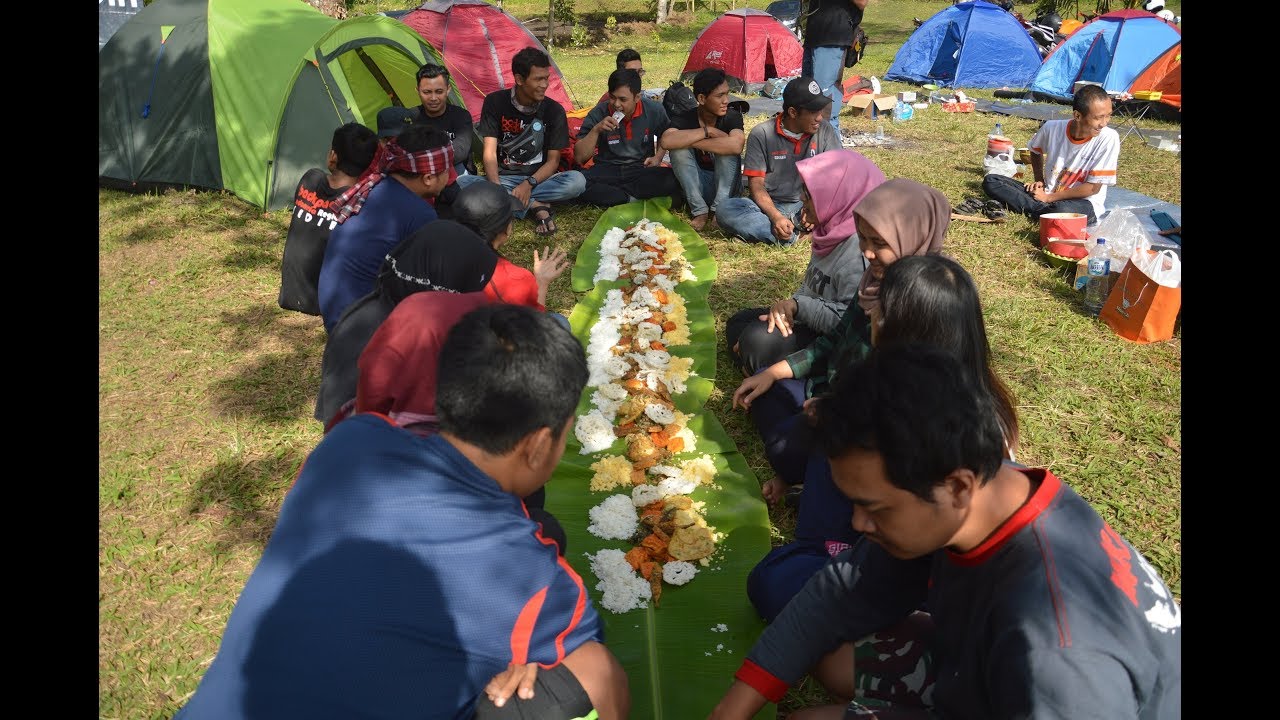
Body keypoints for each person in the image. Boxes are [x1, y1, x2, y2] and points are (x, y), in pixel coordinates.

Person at [174, 304, 631, 720]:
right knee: (596, 668)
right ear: (536, 445)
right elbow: (588, 664)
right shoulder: (532, 582)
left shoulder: (350, 441)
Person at [709, 343, 1180, 720]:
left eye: (872, 508)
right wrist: (731, 710)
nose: (856, 524)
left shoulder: (1057, 657)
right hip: (980, 673)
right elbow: (838, 592)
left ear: (958, 486)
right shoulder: (984, 491)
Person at [745, 255, 1022, 624]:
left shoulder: (963, 427)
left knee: (776, 582)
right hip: (878, 526)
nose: (869, 321)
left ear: (906, 332)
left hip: (912, 560)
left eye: (877, 315)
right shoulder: (897, 380)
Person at [730, 178, 945, 506]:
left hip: (868, 428)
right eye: (863, 239)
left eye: (880, 243)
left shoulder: (927, 305)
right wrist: (775, 373)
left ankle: (817, 479)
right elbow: (832, 342)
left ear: (913, 236)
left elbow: (902, 406)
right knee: (763, 388)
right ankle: (813, 471)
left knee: (783, 447)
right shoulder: (873, 282)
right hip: (831, 394)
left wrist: (838, 408)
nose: (867, 252)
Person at [313, 219, 497, 430]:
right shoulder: (384, 334)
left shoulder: (382, 310)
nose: (475, 292)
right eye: (473, 282)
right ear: (445, 283)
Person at [726, 149, 884, 378]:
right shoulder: (829, 230)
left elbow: (846, 324)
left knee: (755, 339)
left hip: (831, 340)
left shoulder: (859, 249)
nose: (802, 199)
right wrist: (790, 310)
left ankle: (765, 369)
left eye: (810, 195)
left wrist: (798, 307)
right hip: (808, 321)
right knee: (739, 322)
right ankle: (759, 364)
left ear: (837, 196)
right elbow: (810, 286)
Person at [318, 124, 456, 333]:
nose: (450, 176)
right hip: (363, 329)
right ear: (428, 178)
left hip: (335, 311)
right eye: (447, 170)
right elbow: (427, 281)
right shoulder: (420, 214)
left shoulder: (375, 187)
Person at [456, 46, 586, 238]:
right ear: (519, 79)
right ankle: (536, 206)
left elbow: (553, 162)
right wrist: (498, 188)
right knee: (461, 183)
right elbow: (489, 154)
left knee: (577, 182)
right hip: (503, 179)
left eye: (546, 78)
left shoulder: (554, 110)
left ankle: (512, 203)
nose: (545, 85)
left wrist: (528, 184)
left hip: (539, 179)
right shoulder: (494, 102)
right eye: (538, 79)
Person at [716, 76, 844, 246]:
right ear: (792, 112)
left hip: (811, 202)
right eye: (813, 112)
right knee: (726, 210)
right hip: (772, 205)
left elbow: (837, 178)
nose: (819, 118)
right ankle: (793, 236)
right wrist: (776, 217)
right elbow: (756, 186)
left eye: (820, 111)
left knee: (851, 204)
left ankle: (773, 234)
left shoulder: (825, 130)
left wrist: (815, 208)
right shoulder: (761, 134)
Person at [981, 83, 1119, 225]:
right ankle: (1045, 212)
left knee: (1063, 208)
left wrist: (1049, 198)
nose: (1104, 123)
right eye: (1098, 118)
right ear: (1077, 115)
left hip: (1082, 203)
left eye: (1108, 116)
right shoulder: (1051, 128)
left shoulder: (1109, 138)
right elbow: (1035, 151)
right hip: (1047, 194)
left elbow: (1093, 188)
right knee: (992, 181)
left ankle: (1040, 210)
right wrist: (1039, 181)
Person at [278, 122, 378, 316]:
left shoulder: (310, 178)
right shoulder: (362, 202)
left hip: (290, 294)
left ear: (333, 157)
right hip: (325, 302)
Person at [451, 181, 570, 314]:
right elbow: (532, 327)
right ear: (506, 230)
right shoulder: (515, 279)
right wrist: (542, 283)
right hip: (486, 331)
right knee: (559, 321)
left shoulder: (434, 245)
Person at [574, 68, 681, 209]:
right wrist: (596, 130)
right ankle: (631, 198)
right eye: (612, 97)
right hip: (607, 169)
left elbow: (667, 135)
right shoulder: (599, 112)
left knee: (673, 179)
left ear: (637, 97)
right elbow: (579, 157)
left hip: (639, 169)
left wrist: (657, 158)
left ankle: (618, 197)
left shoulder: (654, 110)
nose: (616, 104)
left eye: (623, 99)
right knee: (578, 184)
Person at [660, 67, 746, 232]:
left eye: (727, 94)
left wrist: (692, 141)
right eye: (719, 96)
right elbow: (666, 141)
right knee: (678, 151)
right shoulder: (685, 117)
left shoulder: (732, 116)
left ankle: (718, 210)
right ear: (701, 98)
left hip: (729, 188)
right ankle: (699, 211)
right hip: (700, 187)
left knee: (727, 151)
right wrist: (708, 132)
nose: (726, 101)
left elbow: (736, 145)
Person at [411, 63, 480, 213]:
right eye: (427, 92)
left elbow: (461, 150)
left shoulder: (461, 116)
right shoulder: (411, 117)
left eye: (439, 91)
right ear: (417, 90)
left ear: (448, 90)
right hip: (422, 171)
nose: (433, 98)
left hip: (456, 169)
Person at [801, 0, 869, 132]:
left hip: (832, 37)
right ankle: (811, 144)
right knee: (807, 92)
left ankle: (831, 144)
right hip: (813, 35)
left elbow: (862, 2)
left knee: (824, 95)